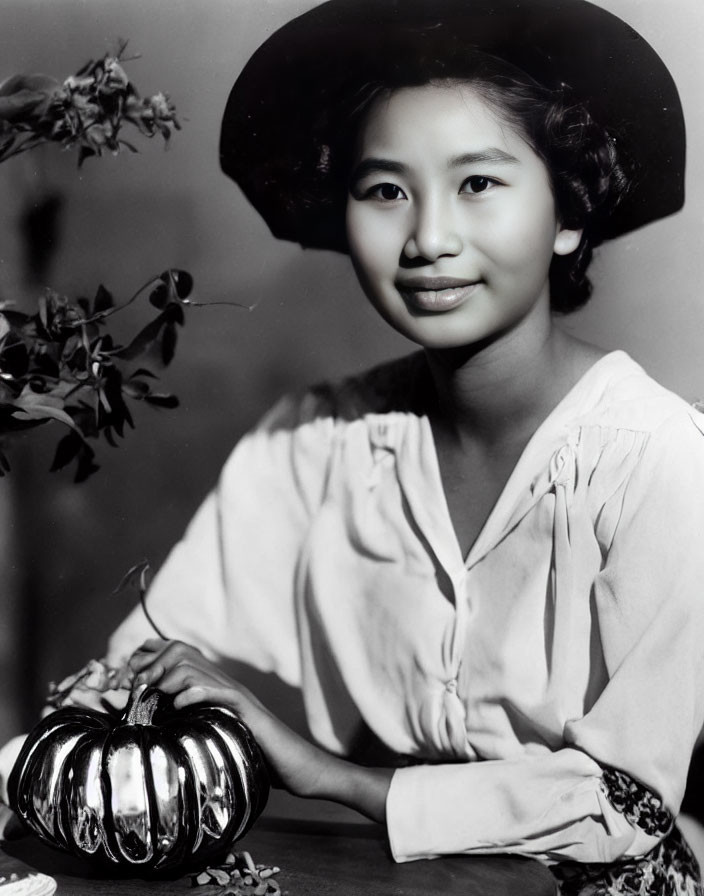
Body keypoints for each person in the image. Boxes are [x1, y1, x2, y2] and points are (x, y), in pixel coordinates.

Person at [9, 0, 704, 893]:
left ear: (569, 215)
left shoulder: (658, 460)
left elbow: (627, 807)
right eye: (386, 191)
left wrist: (335, 777)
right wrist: (54, 759)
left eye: (479, 184)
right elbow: (136, 668)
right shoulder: (315, 443)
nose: (428, 239)